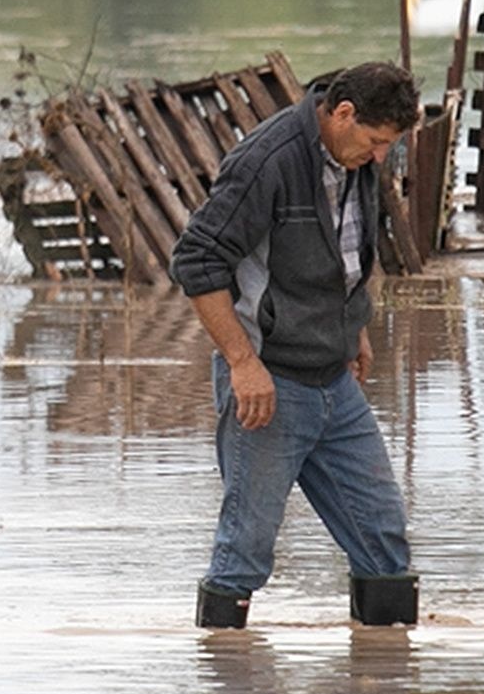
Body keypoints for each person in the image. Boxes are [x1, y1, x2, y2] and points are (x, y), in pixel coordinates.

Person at [169, 61, 422, 631]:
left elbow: (346, 250)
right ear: (342, 114)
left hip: (334, 379)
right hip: (269, 383)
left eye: (391, 145)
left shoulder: (355, 157)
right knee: (246, 550)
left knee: (383, 540)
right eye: (377, 142)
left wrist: (351, 326)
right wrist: (242, 362)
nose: (382, 157)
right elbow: (197, 260)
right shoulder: (269, 160)